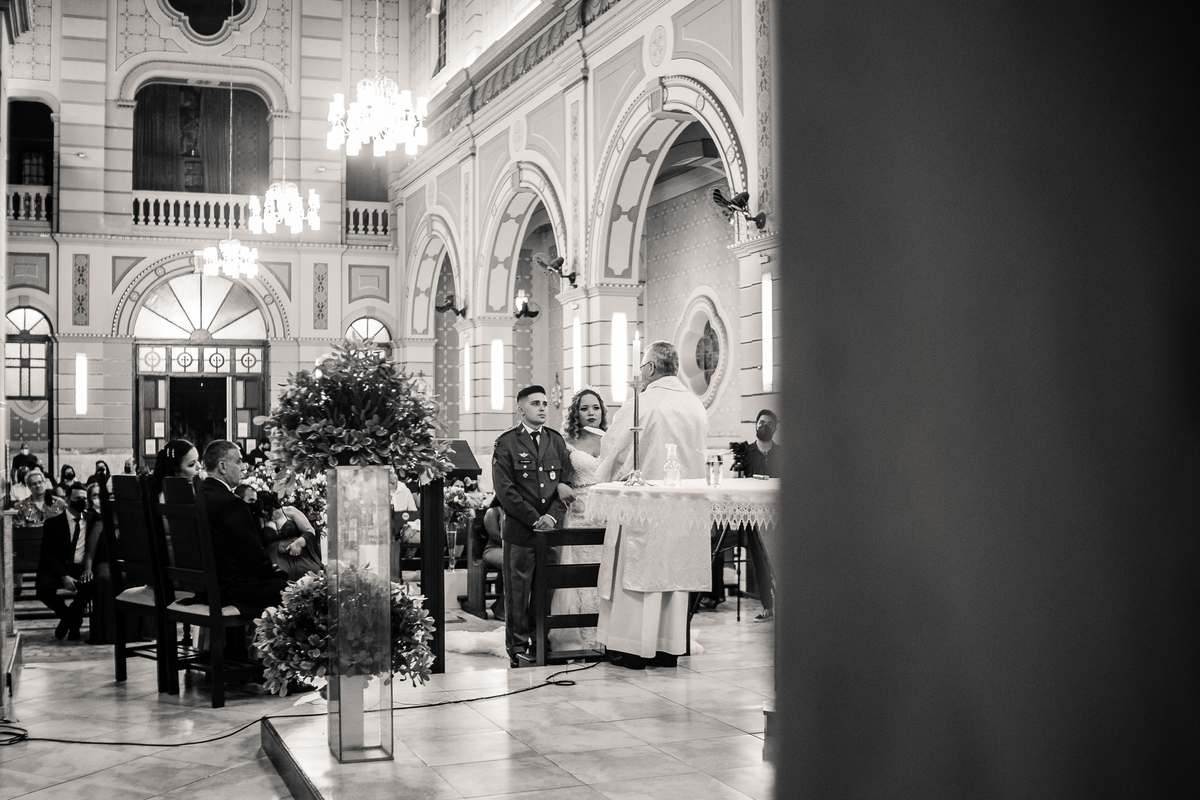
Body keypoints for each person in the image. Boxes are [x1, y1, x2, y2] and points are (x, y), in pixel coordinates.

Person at [594, 340, 709, 669]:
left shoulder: (640, 404)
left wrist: (602, 479)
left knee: (637, 575)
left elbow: (613, 450)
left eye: (642, 366)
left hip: (642, 506)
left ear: (650, 368)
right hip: (683, 509)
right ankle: (668, 649)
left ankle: (632, 648)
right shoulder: (695, 406)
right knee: (673, 575)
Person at [492, 384, 574, 667]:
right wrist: (533, 518)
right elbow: (505, 491)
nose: (542, 408)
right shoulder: (506, 443)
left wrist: (551, 517)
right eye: (535, 403)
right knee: (518, 592)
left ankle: (541, 643)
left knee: (545, 590)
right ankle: (517, 647)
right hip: (521, 531)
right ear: (521, 409)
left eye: (544, 404)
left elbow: (566, 484)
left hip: (550, 531)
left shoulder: (556, 441)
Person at [197, 440, 289, 618]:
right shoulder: (231, 503)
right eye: (239, 461)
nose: (244, 466)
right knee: (290, 591)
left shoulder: (199, 495)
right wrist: (276, 573)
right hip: (231, 590)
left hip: (205, 587)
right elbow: (252, 556)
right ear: (223, 466)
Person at [548, 388, 609, 652]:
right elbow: (554, 476)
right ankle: (579, 635)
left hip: (607, 514)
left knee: (605, 572)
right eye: (584, 408)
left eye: (595, 408)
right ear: (576, 413)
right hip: (579, 513)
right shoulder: (566, 443)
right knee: (579, 572)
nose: (591, 413)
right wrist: (561, 485)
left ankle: (608, 632)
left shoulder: (611, 440)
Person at [35, 482, 97, 640]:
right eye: (77, 498)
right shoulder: (53, 524)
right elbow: (47, 555)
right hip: (59, 567)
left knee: (90, 585)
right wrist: (63, 576)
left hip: (80, 567)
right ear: (68, 499)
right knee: (43, 589)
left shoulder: (92, 520)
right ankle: (71, 619)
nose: (82, 502)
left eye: (84, 499)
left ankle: (68, 622)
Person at [739, 409, 779, 622]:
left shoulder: (781, 453)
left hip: (776, 515)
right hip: (753, 516)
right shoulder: (745, 453)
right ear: (755, 425)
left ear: (775, 429)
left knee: (778, 558)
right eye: (761, 422)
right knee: (759, 560)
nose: (765, 426)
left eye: (769, 424)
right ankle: (767, 606)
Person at [257, 489, 323, 581]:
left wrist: (299, 542)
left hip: (299, 554)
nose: (263, 512)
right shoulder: (260, 520)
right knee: (279, 577)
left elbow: (309, 530)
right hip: (275, 558)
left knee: (313, 571)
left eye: (265, 508)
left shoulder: (290, 511)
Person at [481, 497, 505, 621]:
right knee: (513, 563)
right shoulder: (492, 512)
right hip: (493, 549)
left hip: (510, 549)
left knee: (522, 562)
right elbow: (495, 536)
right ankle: (501, 609)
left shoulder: (514, 511)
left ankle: (504, 605)